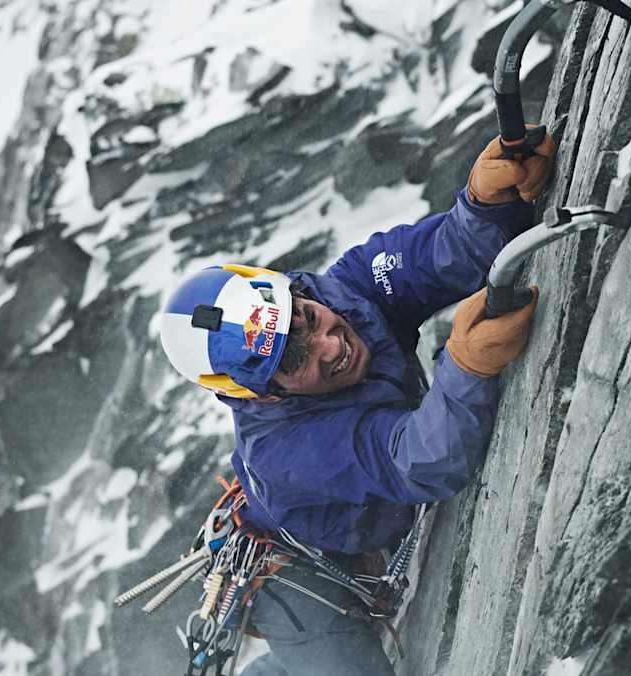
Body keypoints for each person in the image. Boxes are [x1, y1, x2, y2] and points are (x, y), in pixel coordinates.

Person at [157, 130, 556, 675]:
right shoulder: (286, 449)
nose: (331, 345)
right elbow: (424, 460)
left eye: (307, 320)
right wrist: (465, 367)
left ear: (298, 295)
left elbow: (441, 256)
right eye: (295, 360)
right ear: (268, 393)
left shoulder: (344, 288)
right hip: (293, 580)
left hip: (359, 524)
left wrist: (485, 203)